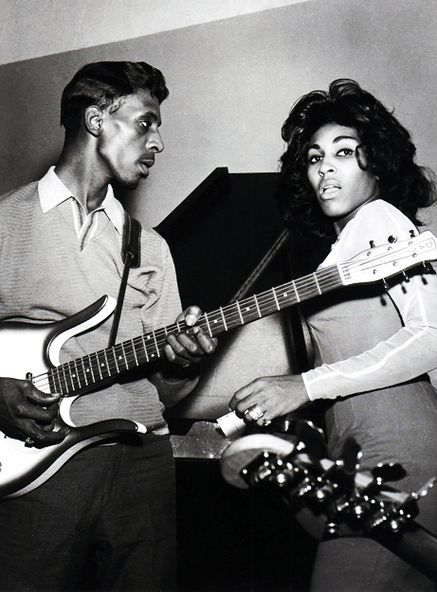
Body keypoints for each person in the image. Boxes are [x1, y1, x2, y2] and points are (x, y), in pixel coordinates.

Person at [229, 79, 437, 590]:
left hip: (406, 448)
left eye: (345, 152)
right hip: (354, 450)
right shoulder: (336, 251)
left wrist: (303, 386)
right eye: (315, 158)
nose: (325, 169)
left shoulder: (380, 218)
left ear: (377, 164)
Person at [0, 61, 217, 591]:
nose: (158, 142)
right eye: (146, 122)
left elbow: (168, 391)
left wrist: (183, 362)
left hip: (142, 462)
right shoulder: (5, 223)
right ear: (97, 120)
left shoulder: (152, 249)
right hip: (38, 465)